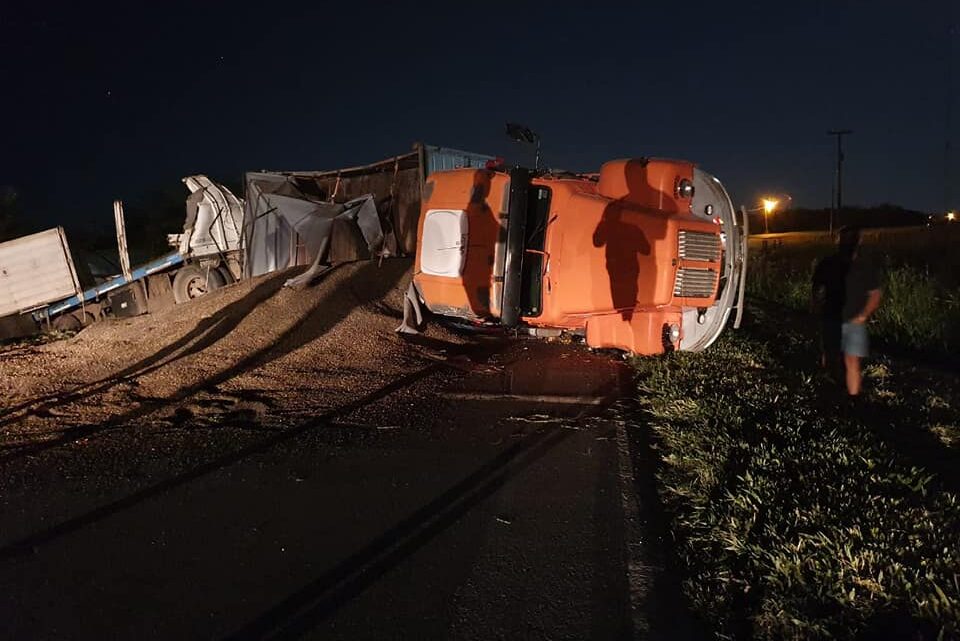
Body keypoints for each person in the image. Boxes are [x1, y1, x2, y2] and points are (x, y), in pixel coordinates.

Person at [811, 226, 882, 396]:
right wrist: (817, 306)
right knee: (832, 356)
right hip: (832, 316)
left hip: (851, 319)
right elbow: (816, 288)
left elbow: (875, 294)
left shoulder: (864, 266)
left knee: (850, 360)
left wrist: (863, 315)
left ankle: (851, 397)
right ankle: (833, 391)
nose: (848, 243)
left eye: (851, 240)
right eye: (846, 240)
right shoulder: (828, 264)